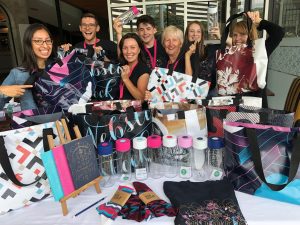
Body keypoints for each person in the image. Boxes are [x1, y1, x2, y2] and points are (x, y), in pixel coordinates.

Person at [230, 11, 284, 107]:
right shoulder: (229, 54)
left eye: (242, 34)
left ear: (250, 35)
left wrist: (259, 22)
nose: (237, 38)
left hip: (256, 109)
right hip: (234, 107)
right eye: (235, 35)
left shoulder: (260, 51)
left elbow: (278, 33)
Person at [0, 23, 55, 111]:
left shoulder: (60, 68)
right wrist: (1, 91)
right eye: (38, 41)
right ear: (29, 44)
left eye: (48, 40)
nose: (45, 45)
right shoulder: (17, 74)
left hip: (64, 122)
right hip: (35, 124)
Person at [184, 21, 220, 96]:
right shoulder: (181, 52)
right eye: (191, 31)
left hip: (210, 93)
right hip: (191, 94)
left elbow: (233, 45)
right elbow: (188, 79)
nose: (195, 34)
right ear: (187, 34)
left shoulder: (209, 49)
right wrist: (187, 56)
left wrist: (220, 36)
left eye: (198, 31)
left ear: (202, 35)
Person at [119, 33, 150, 100]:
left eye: (132, 47)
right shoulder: (121, 67)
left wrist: (126, 79)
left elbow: (141, 99)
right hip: (119, 108)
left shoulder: (143, 70)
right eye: (125, 48)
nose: (128, 51)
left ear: (139, 50)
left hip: (135, 110)